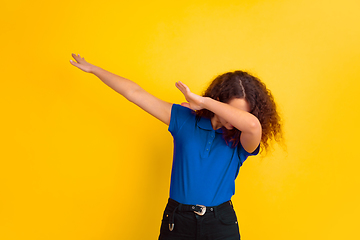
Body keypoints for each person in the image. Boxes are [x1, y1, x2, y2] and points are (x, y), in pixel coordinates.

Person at [70, 53, 283, 240]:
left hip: (221, 223)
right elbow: (134, 93)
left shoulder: (242, 139)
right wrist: (93, 69)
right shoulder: (184, 120)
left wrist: (204, 102)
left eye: (242, 114)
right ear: (219, 100)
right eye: (232, 111)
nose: (235, 121)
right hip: (178, 221)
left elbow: (253, 125)